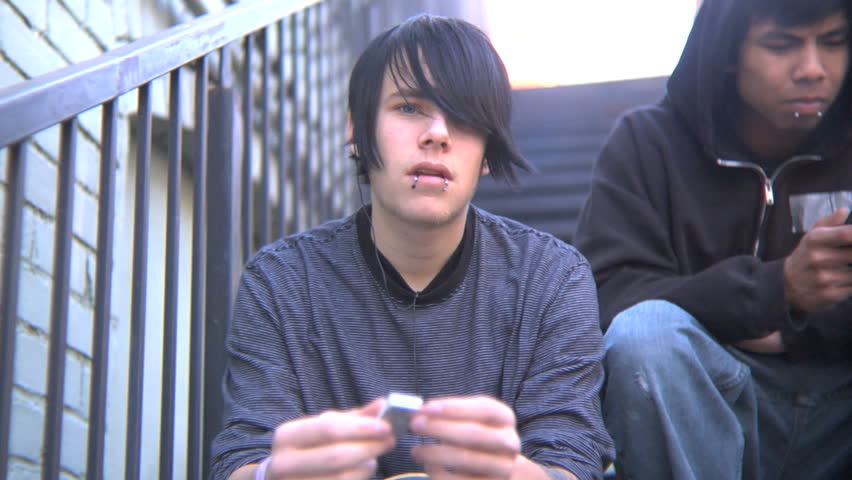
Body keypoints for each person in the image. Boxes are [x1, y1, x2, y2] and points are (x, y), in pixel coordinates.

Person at [210, 13, 614, 480]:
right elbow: (240, 456)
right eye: (408, 107)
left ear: (488, 153)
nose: (437, 133)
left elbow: (574, 460)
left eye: (464, 117)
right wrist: (272, 475)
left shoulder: (552, 277)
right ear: (357, 133)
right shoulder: (282, 280)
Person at [573, 0, 852, 478]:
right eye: (781, 45)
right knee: (645, 335)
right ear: (727, 52)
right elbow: (607, 293)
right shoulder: (648, 142)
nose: (812, 69)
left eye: (833, 42)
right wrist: (776, 289)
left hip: (838, 410)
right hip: (709, 401)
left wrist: (790, 329)